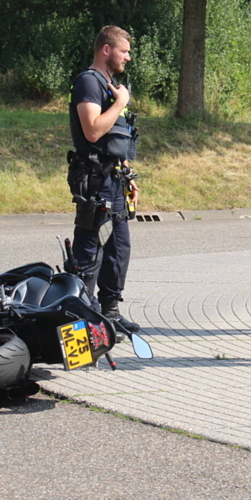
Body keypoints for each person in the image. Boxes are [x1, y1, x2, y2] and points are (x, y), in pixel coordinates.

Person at [67, 26, 140, 334]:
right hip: (96, 183)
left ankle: (109, 312)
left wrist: (127, 174)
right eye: (124, 51)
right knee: (90, 251)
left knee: (118, 249)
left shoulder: (111, 84)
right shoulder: (88, 82)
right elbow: (93, 130)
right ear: (106, 50)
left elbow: (114, 139)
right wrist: (120, 103)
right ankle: (81, 319)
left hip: (114, 180)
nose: (128, 57)